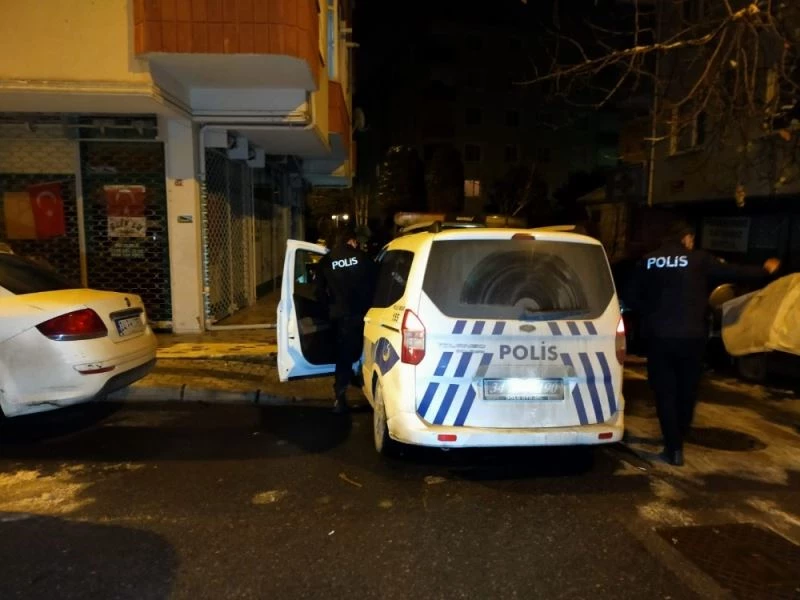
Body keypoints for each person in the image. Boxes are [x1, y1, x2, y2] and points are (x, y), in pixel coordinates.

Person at [624, 221, 780, 466]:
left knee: (665, 392)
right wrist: (764, 270)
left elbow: (630, 297)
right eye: (692, 240)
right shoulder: (699, 259)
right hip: (692, 338)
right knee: (687, 390)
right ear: (686, 238)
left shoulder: (649, 261)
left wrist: (652, 313)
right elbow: (734, 272)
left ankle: (673, 449)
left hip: (659, 337)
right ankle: (681, 432)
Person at [315, 226, 376, 414]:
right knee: (365, 351)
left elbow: (318, 292)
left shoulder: (326, 261)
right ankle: (364, 385)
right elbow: (376, 282)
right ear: (352, 241)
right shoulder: (363, 258)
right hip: (365, 315)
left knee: (344, 356)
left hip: (341, 317)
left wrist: (328, 309)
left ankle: (340, 397)